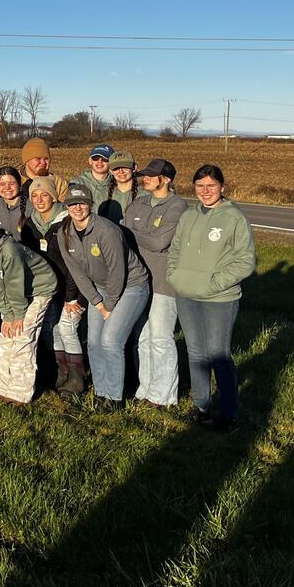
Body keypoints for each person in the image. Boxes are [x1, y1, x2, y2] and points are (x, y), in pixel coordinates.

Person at [167, 164, 255, 433]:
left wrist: (214, 283)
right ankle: (201, 406)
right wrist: (175, 275)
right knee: (195, 353)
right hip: (186, 294)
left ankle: (228, 414)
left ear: (222, 188)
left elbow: (245, 262)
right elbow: (176, 249)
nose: (205, 191)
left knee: (219, 355)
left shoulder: (234, 218)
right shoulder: (188, 216)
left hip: (219, 298)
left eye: (211, 186)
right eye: (200, 186)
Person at [57, 182, 151, 411]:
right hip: (98, 289)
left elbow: (118, 272)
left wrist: (108, 305)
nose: (77, 208)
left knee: (111, 340)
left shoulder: (106, 231)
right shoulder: (64, 233)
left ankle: (115, 398)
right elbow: (77, 273)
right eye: (72, 204)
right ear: (67, 206)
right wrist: (97, 302)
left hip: (131, 287)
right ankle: (101, 392)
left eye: (82, 203)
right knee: (94, 342)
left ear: (90, 204)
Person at [0, 213, 57, 405]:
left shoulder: (9, 250)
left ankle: (20, 392)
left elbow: (15, 284)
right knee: (7, 338)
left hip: (38, 289)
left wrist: (16, 315)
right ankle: (4, 387)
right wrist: (7, 314)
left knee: (24, 337)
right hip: (12, 295)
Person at [122, 158, 188, 408]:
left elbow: (160, 242)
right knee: (143, 337)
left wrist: (132, 235)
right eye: (145, 175)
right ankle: (145, 390)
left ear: (167, 179)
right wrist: (142, 237)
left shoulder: (178, 206)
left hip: (164, 283)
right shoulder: (137, 204)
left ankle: (164, 396)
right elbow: (125, 236)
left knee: (161, 337)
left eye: (152, 175)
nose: (145, 178)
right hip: (138, 280)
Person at [19, 176, 85, 398]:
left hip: (74, 289)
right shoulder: (30, 225)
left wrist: (71, 297)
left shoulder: (67, 223)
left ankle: (77, 376)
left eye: (44, 195)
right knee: (52, 329)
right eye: (34, 196)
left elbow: (76, 265)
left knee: (67, 327)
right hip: (48, 288)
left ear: (54, 196)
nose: (39, 200)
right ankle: (62, 372)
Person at [19, 136, 68, 202]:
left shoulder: (59, 183)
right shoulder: (14, 181)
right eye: (38, 159)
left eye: (46, 159)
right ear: (26, 161)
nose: (43, 162)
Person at [71, 143, 115, 212]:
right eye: (96, 158)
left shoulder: (117, 183)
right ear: (90, 161)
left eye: (105, 159)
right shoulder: (77, 183)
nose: (100, 161)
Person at [0, 166, 26, 238]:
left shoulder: (30, 206)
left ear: (19, 185)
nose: (7, 187)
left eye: (12, 183)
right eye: (2, 184)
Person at [103, 150, 137, 223]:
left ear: (134, 168)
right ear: (111, 171)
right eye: (116, 168)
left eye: (125, 167)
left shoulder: (145, 195)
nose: (121, 171)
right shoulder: (102, 195)